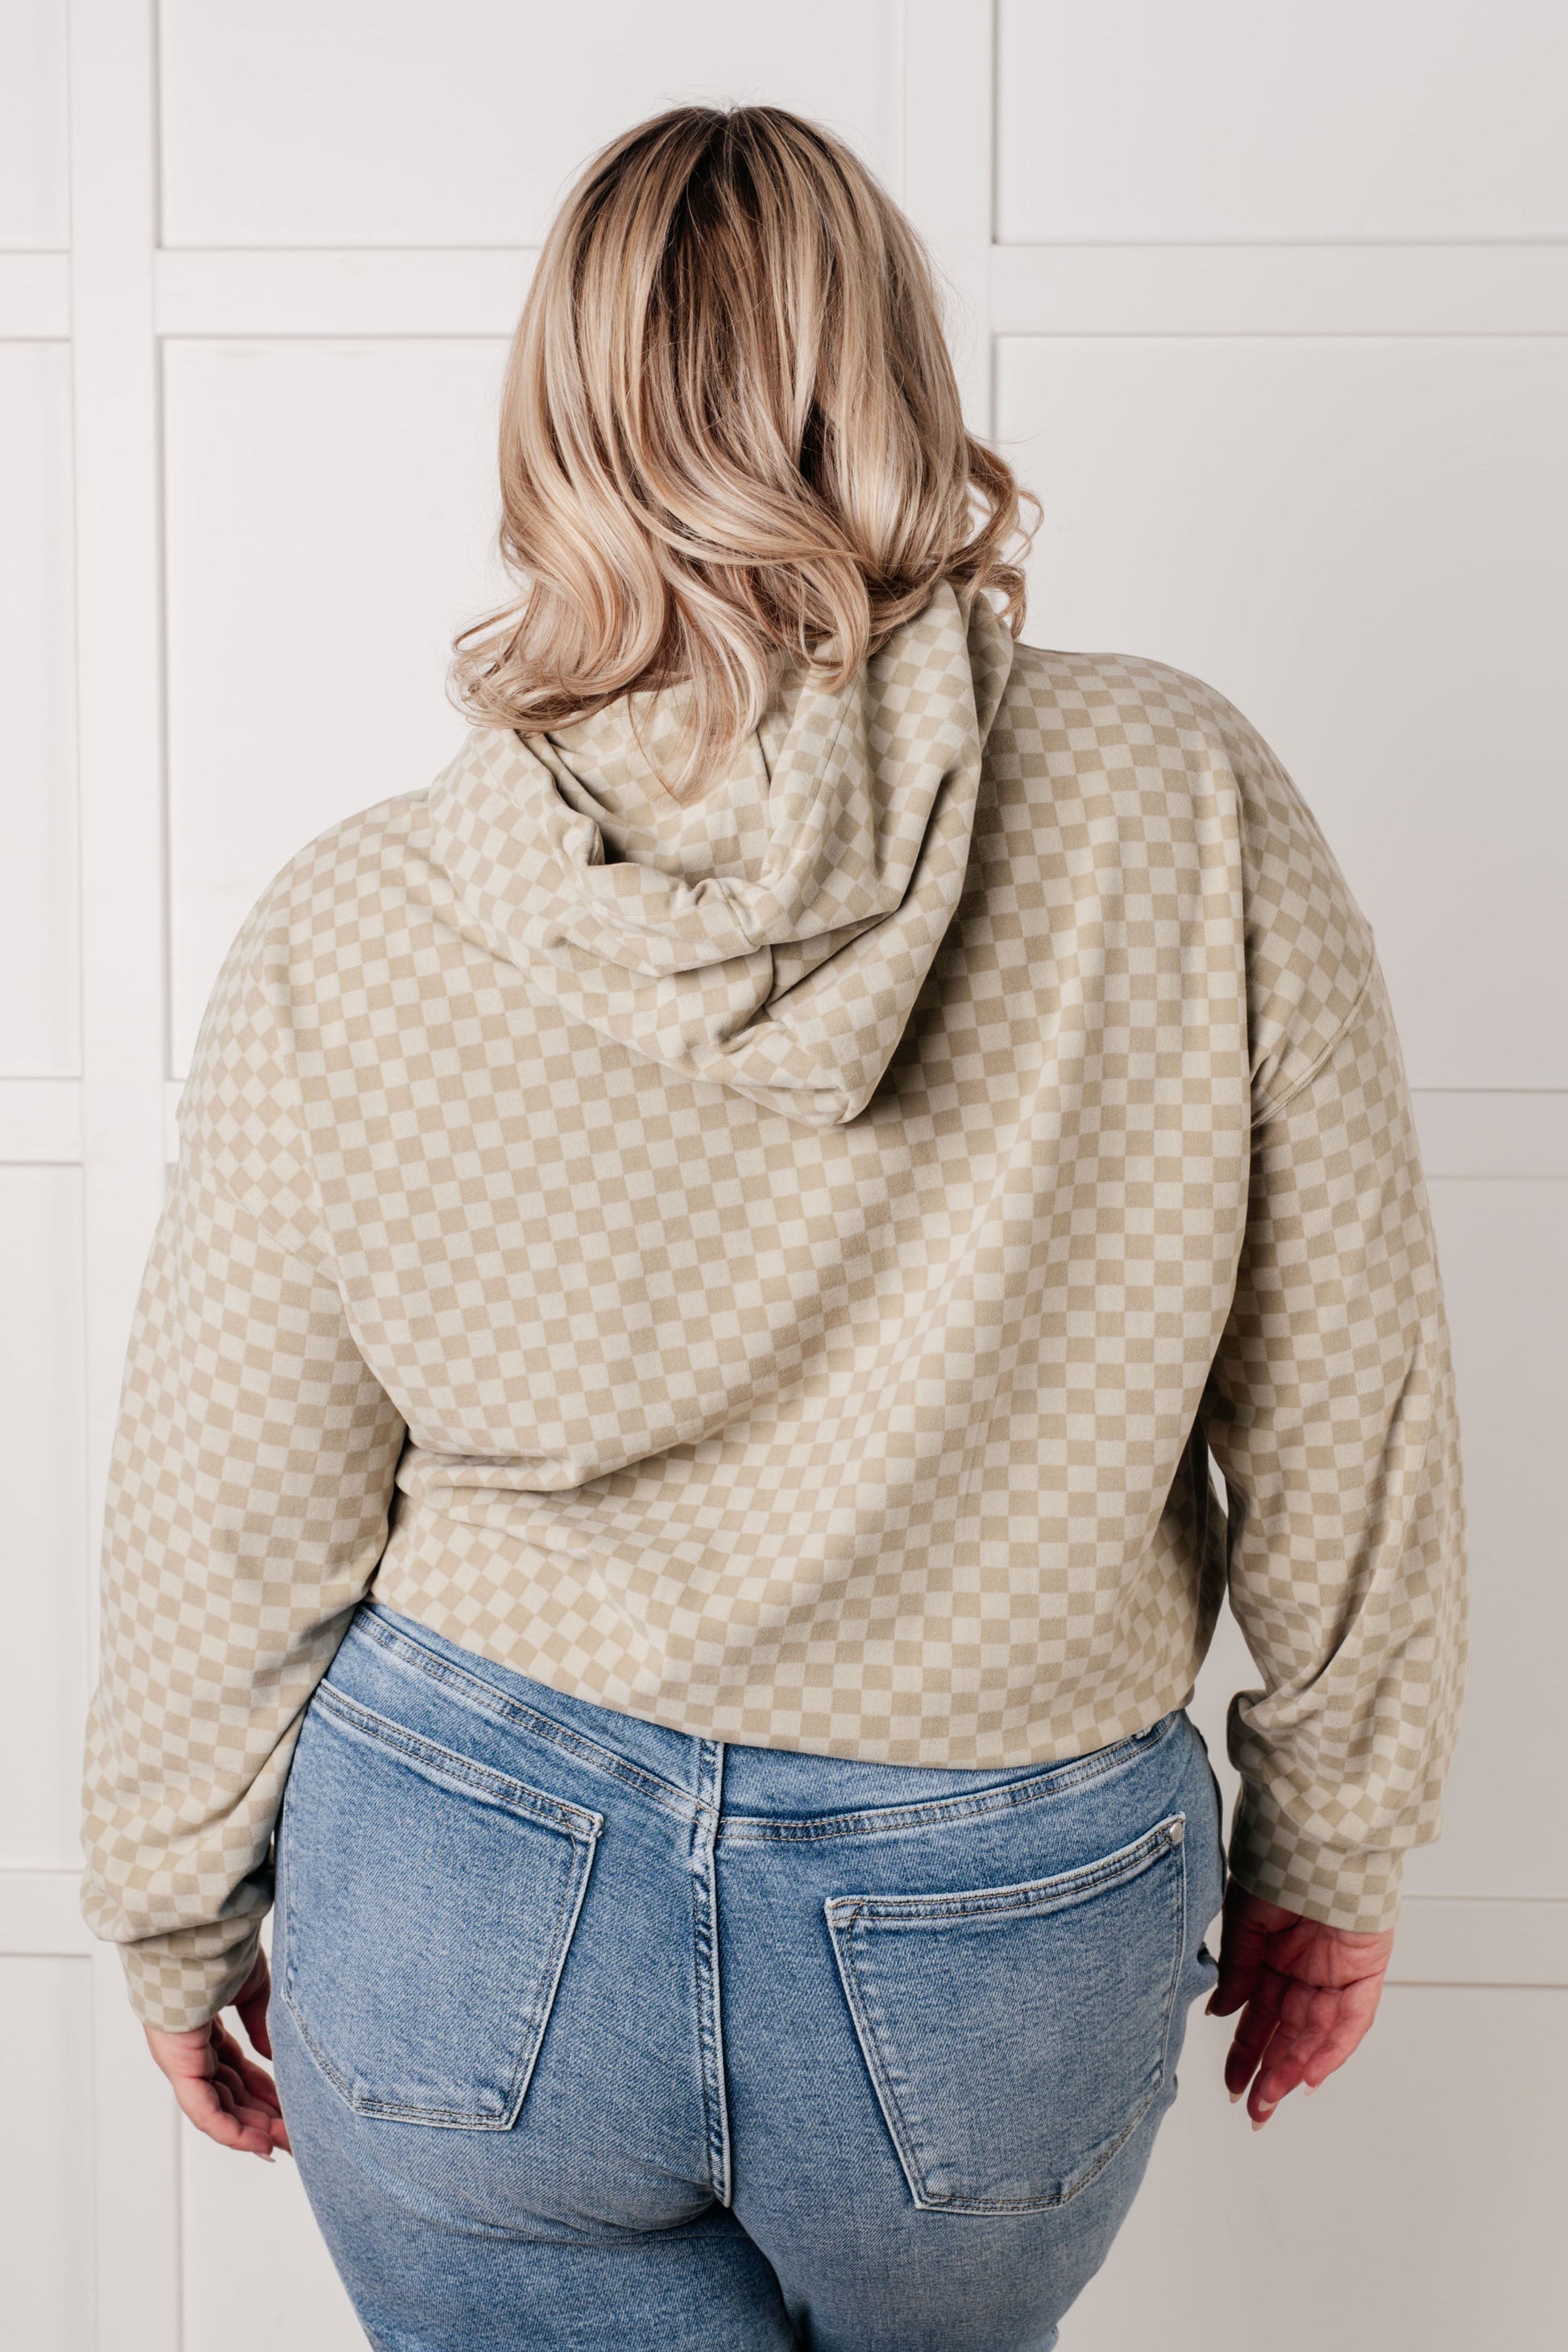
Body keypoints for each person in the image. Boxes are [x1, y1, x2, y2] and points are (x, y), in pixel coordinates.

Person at [80, 104, 1467, 2352]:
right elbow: (1346, 1395)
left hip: (468, 1870)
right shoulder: (1171, 796)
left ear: (551, 421)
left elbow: (224, 1503)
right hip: (993, 1904)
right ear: (899, 377)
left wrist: (169, 1908)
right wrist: (1335, 1836)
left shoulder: (363, 918)